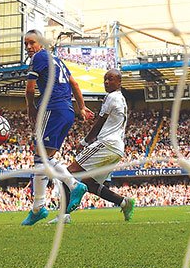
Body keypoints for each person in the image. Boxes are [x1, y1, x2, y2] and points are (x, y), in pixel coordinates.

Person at [21, 29, 94, 226]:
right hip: (67, 111)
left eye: (31, 43)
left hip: (52, 109)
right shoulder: (58, 60)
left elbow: (29, 90)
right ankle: (68, 188)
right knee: (46, 158)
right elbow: (75, 84)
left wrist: (31, 110)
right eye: (26, 44)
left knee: (39, 157)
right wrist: (82, 107)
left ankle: (39, 207)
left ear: (41, 44)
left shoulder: (37, 58)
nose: (28, 47)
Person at [50, 69, 135, 222]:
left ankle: (63, 216)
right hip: (117, 148)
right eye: (105, 79)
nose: (107, 82)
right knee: (89, 183)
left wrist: (84, 142)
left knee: (68, 174)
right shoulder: (121, 99)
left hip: (106, 144)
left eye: (110, 79)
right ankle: (124, 202)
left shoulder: (111, 97)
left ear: (119, 82)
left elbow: (99, 124)